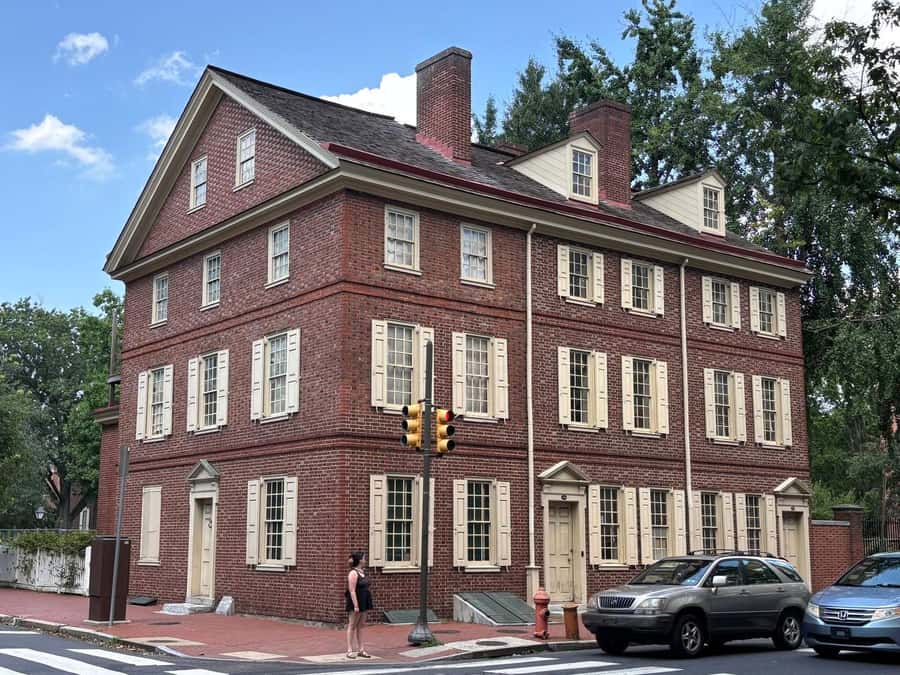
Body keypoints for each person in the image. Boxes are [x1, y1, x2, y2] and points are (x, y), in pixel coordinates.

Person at [345, 551, 373, 658]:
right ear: (360, 560)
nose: (365, 560)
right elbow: (352, 590)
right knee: (352, 625)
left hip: (364, 601)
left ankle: (361, 649)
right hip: (356, 602)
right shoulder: (353, 573)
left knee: (361, 626)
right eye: (364, 558)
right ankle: (349, 650)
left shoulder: (363, 572)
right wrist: (356, 605)